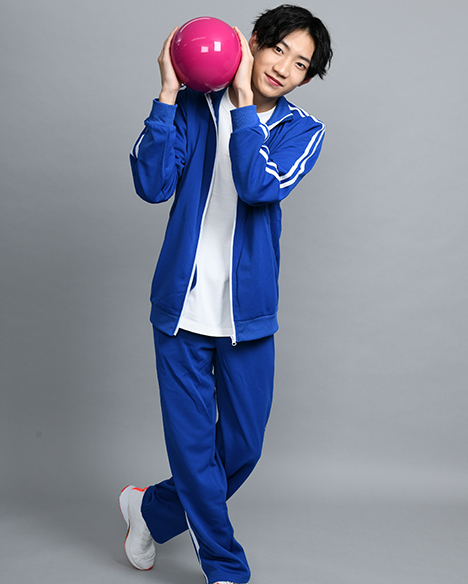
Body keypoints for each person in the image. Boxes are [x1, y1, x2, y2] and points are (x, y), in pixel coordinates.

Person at [119, 5, 333, 584]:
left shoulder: (302, 131)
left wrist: (241, 109)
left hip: (246, 316)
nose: (284, 67)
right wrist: (168, 93)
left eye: (301, 64)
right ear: (253, 42)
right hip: (181, 312)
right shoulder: (193, 105)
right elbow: (151, 184)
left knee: (242, 447)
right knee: (194, 450)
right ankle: (225, 569)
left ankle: (151, 509)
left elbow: (259, 185)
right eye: (279, 49)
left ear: (306, 78)